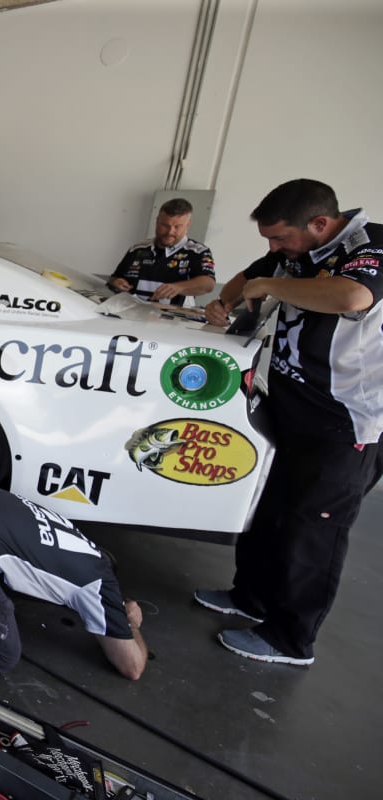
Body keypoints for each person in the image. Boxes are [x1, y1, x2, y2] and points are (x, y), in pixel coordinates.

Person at [196, 179, 383, 666]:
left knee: (313, 529)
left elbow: (352, 297)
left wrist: (268, 285)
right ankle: (250, 597)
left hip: (346, 423)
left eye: (281, 238)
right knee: (269, 511)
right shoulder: (295, 254)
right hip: (289, 409)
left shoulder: (372, 246)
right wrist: (227, 302)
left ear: (320, 224)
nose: (274, 248)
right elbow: (248, 277)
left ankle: (291, 639)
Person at [0, 476, 147, 680]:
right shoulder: (99, 585)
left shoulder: (76, 538)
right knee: (2, 656)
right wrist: (131, 622)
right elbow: (132, 667)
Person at [108, 197, 216, 306]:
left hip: (173, 319)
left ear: (187, 225)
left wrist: (179, 287)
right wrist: (116, 283)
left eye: (177, 226)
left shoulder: (198, 251)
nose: (170, 232)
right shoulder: (137, 249)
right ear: (157, 221)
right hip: (132, 314)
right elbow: (114, 278)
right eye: (165, 225)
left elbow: (208, 284)